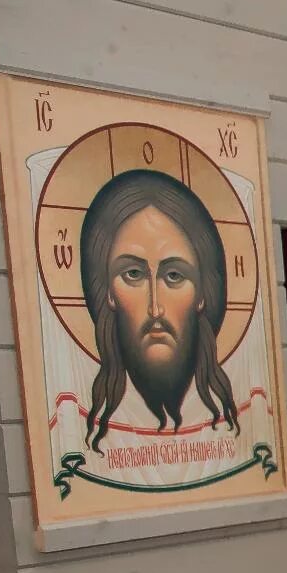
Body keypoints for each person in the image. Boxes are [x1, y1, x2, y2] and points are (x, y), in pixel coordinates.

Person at [78, 167, 242, 452]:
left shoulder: (222, 413)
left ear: (202, 294)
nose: (155, 308)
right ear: (109, 295)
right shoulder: (85, 411)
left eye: (174, 276)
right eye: (133, 274)